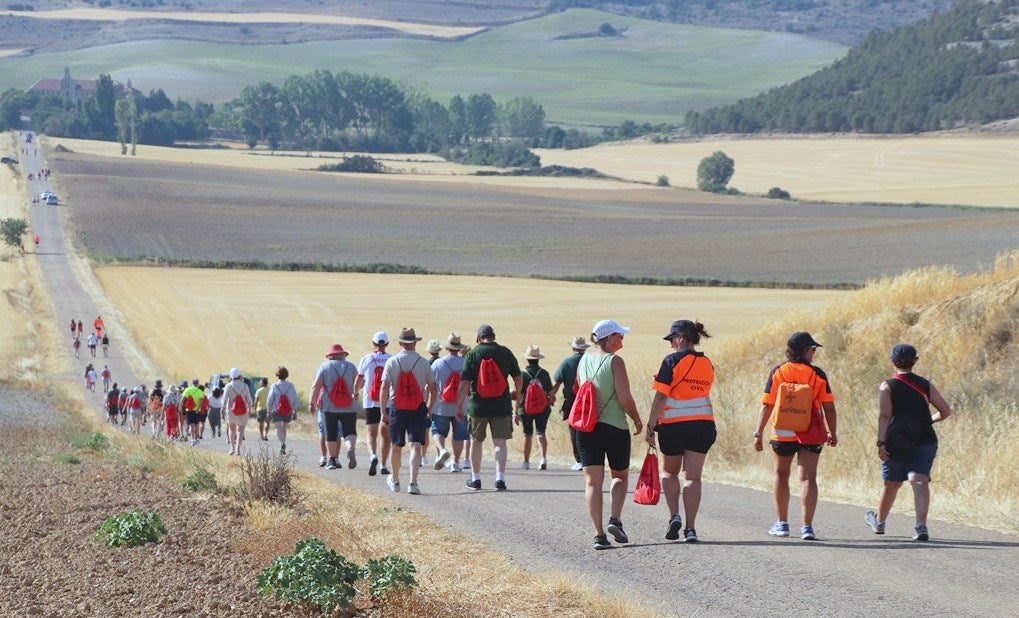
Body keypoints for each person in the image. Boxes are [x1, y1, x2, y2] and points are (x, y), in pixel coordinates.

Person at [753, 331, 838, 541]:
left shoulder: (778, 371)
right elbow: (829, 406)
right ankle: (807, 527)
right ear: (804, 350)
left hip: (782, 430)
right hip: (810, 430)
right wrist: (832, 432)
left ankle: (782, 524)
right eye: (812, 349)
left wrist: (758, 433)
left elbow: (768, 404)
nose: (814, 353)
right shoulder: (817, 374)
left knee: (781, 475)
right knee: (808, 477)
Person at [866, 344, 952, 542]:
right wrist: (929, 419)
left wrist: (881, 443)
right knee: (918, 479)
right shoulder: (925, 384)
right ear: (914, 361)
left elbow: (885, 416)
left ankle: (879, 522)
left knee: (892, 483)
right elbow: (945, 410)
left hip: (897, 441)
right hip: (925, 439)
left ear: (893, 362)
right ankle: (921, 526)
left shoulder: (887, 385)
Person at [646, 320, 717, 543]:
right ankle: (691, 529)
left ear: (681, 337)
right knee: (693, 478)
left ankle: (674, 515)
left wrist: (650, 426)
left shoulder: (671, 361)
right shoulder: (707, 363)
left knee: (669, 474)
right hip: (703, 424)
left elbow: (660, 396)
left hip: (673, 425)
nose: (670, 345)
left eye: (671, 340)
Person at [576, 320, 644, 550]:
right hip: (614, 426)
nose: (622, 339)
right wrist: (636, 418)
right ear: (609, 338)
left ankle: (599, 535)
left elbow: (580, 388)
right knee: (620, 476)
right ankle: (615, 519)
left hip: (586, 428)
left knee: (592, 482)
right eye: (619, 335)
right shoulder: (615, 361)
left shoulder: (584, 358)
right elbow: (624, 397)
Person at [456, 324, 522, 492]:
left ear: (479, 338)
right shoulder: (505, 352)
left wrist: (458, 405)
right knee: (499, 443)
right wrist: (517, 395)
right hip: (501, 405)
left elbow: (464, 383)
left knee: (476, 442)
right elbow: (518, 378)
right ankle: (500, 479)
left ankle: (476, 479)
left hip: (478, 406)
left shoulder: (472, 354)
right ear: (494, 336)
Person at [378, 328, 436, 495]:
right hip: (418, 407)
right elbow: (433, 389)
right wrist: (429, 409)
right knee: (415, 445)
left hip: (397, 407)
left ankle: (395, 481)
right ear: (415, 343)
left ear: (400, 343)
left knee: (396, 445)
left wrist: (383, 410)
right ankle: (413, 483)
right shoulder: (424, 362)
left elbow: (384, 387)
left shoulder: (392, 361)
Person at [309, 344, 362, 470]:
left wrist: (311, 402)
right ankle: (350, 448)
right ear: (343, 355)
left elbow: (316, 386)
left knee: (330, 432)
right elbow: (360, 382)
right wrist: (355, 392)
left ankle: (332, 460)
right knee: (349, 431)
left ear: (330, 355)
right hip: (349, 405)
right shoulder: (351, 366)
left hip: (329, 406)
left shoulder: (324, 366)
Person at [354, 331, 392, 476]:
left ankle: (372, 456)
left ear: (373, 343)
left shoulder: (367, 358)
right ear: (386, 344)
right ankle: (383, 465)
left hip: (370, 401)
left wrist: (356, 392)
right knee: (386, 435)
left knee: (371, 433)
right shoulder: (391, 359)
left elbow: (358, 379)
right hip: (387, 402)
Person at [429, 332, 468, 472]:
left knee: (438, 431)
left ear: (447, 348)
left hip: (441, 406)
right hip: (461, 406)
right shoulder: (465, 363)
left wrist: (429, 405)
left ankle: (441, 450)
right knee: (459, 435)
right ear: (459, 348)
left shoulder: (437, 363)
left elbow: (431, 386)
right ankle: (455, 463)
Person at [551, 336, 589, 471]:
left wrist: (551, 396)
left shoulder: (567, 362)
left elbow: (557, 382)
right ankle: (589, 459)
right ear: (584, 349)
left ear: (573, 348)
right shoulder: (589, 360)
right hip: (589, 401)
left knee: (574, 430)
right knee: (588, 428)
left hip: (572, 401)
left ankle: (579, 460)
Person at [516, 345, 553, 471]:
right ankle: (543, 458)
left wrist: (515, 412)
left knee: (527, 434)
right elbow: (550, 392)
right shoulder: (544, 373)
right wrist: (549, 402)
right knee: (541, 433)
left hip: (525, 408)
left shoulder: (522, 374)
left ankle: (526, 461)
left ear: (527, 359)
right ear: (538, 359)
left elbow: (519, 394)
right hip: (543, 408)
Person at [267, 366, 299, 455]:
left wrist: (268, 411)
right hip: (288, 410)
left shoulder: (274, 386)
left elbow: (270, 400)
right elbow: (294, 398)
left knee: (278, 428)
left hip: (276, 410)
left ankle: (281, 443)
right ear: (286, 375)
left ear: (277, 375)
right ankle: (283, 442)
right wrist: (295, 411)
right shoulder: (291, 386)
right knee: (284, 427)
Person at [223, 368, 254, 455]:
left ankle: (232, 448)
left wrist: (222, 409)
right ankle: (238, 449)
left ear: (231, 376)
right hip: (242, 410)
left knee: (231, 429)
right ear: (239, 376)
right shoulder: (245, 386)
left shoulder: (228, 386)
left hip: (231, 410)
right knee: (240, 429)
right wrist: (250, 408)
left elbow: (224, 400)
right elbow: (249, 400)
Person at [181, 380, 205, 446]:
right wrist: (197, 409)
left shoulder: (188, 389)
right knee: (196, 424)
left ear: (192, 383)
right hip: (197, 410)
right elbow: (201, 401)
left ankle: (192, 439)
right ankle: (196, 439)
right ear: (198, 384)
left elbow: (182, 399)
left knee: (191, 425)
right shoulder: (200, 391)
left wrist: (180, 407)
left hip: (189, 409)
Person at [254, 377, 270, 441]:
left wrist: (254, 409)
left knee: (261, 423)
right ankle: (266, 434)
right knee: (267, 423)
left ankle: (262, 435)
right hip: (268, 408)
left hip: (260, 409)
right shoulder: (270, 390)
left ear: (262, 383)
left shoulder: (259, 390)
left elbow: (256, 401)